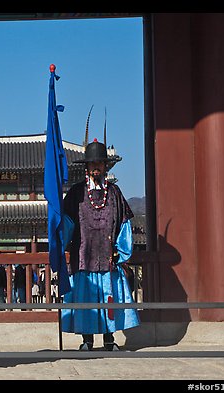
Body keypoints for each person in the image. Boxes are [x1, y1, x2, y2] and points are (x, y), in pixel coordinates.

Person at [60, 117, 139, 351]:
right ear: (86, 166)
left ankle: (109, 339)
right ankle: (86, 341)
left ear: (106, 166)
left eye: (100, 163)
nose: (96, 167)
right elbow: (67, 224)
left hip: (107, 257)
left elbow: (124, 224)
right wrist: (61, 244)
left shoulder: (114, 192)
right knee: (86, 300)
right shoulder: (75, 193)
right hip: (83, 257)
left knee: (108, 299)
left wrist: (122, 253)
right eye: (92, 163)